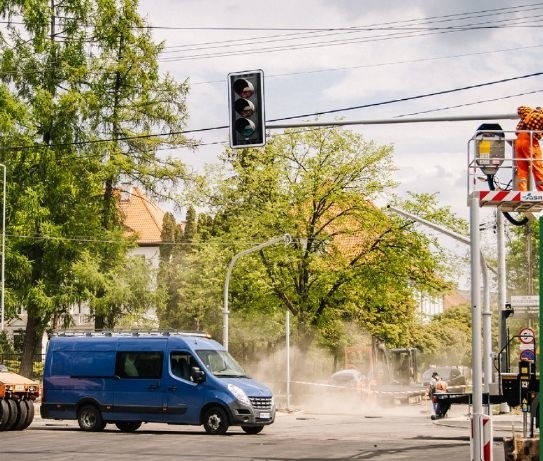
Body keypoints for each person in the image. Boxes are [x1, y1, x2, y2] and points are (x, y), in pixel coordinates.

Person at [514, 105, 543, 191]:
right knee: (537, 165)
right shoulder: (536, 115)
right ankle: (542, 189)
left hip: (519, 141)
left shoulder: (523, 120)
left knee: (522, 168)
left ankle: (522, 190)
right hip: (529, 140)